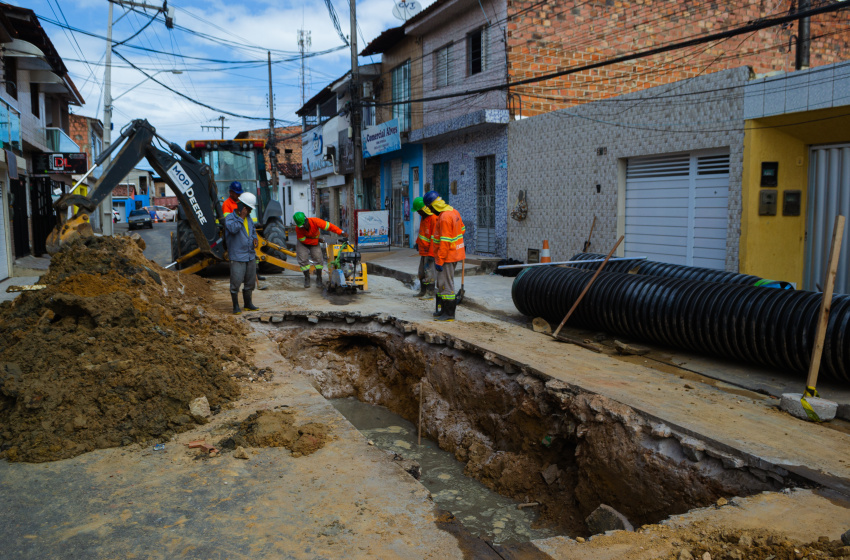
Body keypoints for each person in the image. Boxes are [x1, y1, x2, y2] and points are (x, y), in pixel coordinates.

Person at [424, 190, 466, 322]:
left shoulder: (444, 217)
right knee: (444, 283)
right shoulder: (454, 212)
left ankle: (449, 314)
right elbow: (462, 229)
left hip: (447, 256)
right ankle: (443, 311)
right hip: (454, 253)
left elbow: (445, 242)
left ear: (433, 206)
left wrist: (440, 260)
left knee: (445, 284)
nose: (430, 211)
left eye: (430, 208)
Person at [224, 193, 260, 315]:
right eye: (248, 208)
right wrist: (241, 218)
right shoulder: (230, 218)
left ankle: (248, 304)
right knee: (236, 282)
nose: (249, 211)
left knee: (250, 282)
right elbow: (233, 229)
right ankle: (235, 306)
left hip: (250, 255)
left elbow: (253, 230)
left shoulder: (249, 218)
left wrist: (255, 238)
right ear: (242, 206)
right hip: (237, 256)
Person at [293, 212, 343, 288]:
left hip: (314, 241)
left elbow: (329, 226)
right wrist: (317, 240)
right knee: (302, 258)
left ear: (306, 220)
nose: (303, 227)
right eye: (301, 226)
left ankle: (319, 278)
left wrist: (341, 232)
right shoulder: (298, 228)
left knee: (318, 258)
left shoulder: (315, 221)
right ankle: (307, 278)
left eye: (304, 225)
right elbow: (303, 240)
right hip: (304, 242)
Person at [412, 197, 436, 300]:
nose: (417, 213)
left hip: (429, 252)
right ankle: (422, 291)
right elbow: (421, 232)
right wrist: (417, 242)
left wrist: (431, 254)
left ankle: (430, 293)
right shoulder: (423, 217)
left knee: (429, 273)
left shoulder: (433, 219)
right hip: (423, 251)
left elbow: (434, 238)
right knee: (421, 273)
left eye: (418, 210)